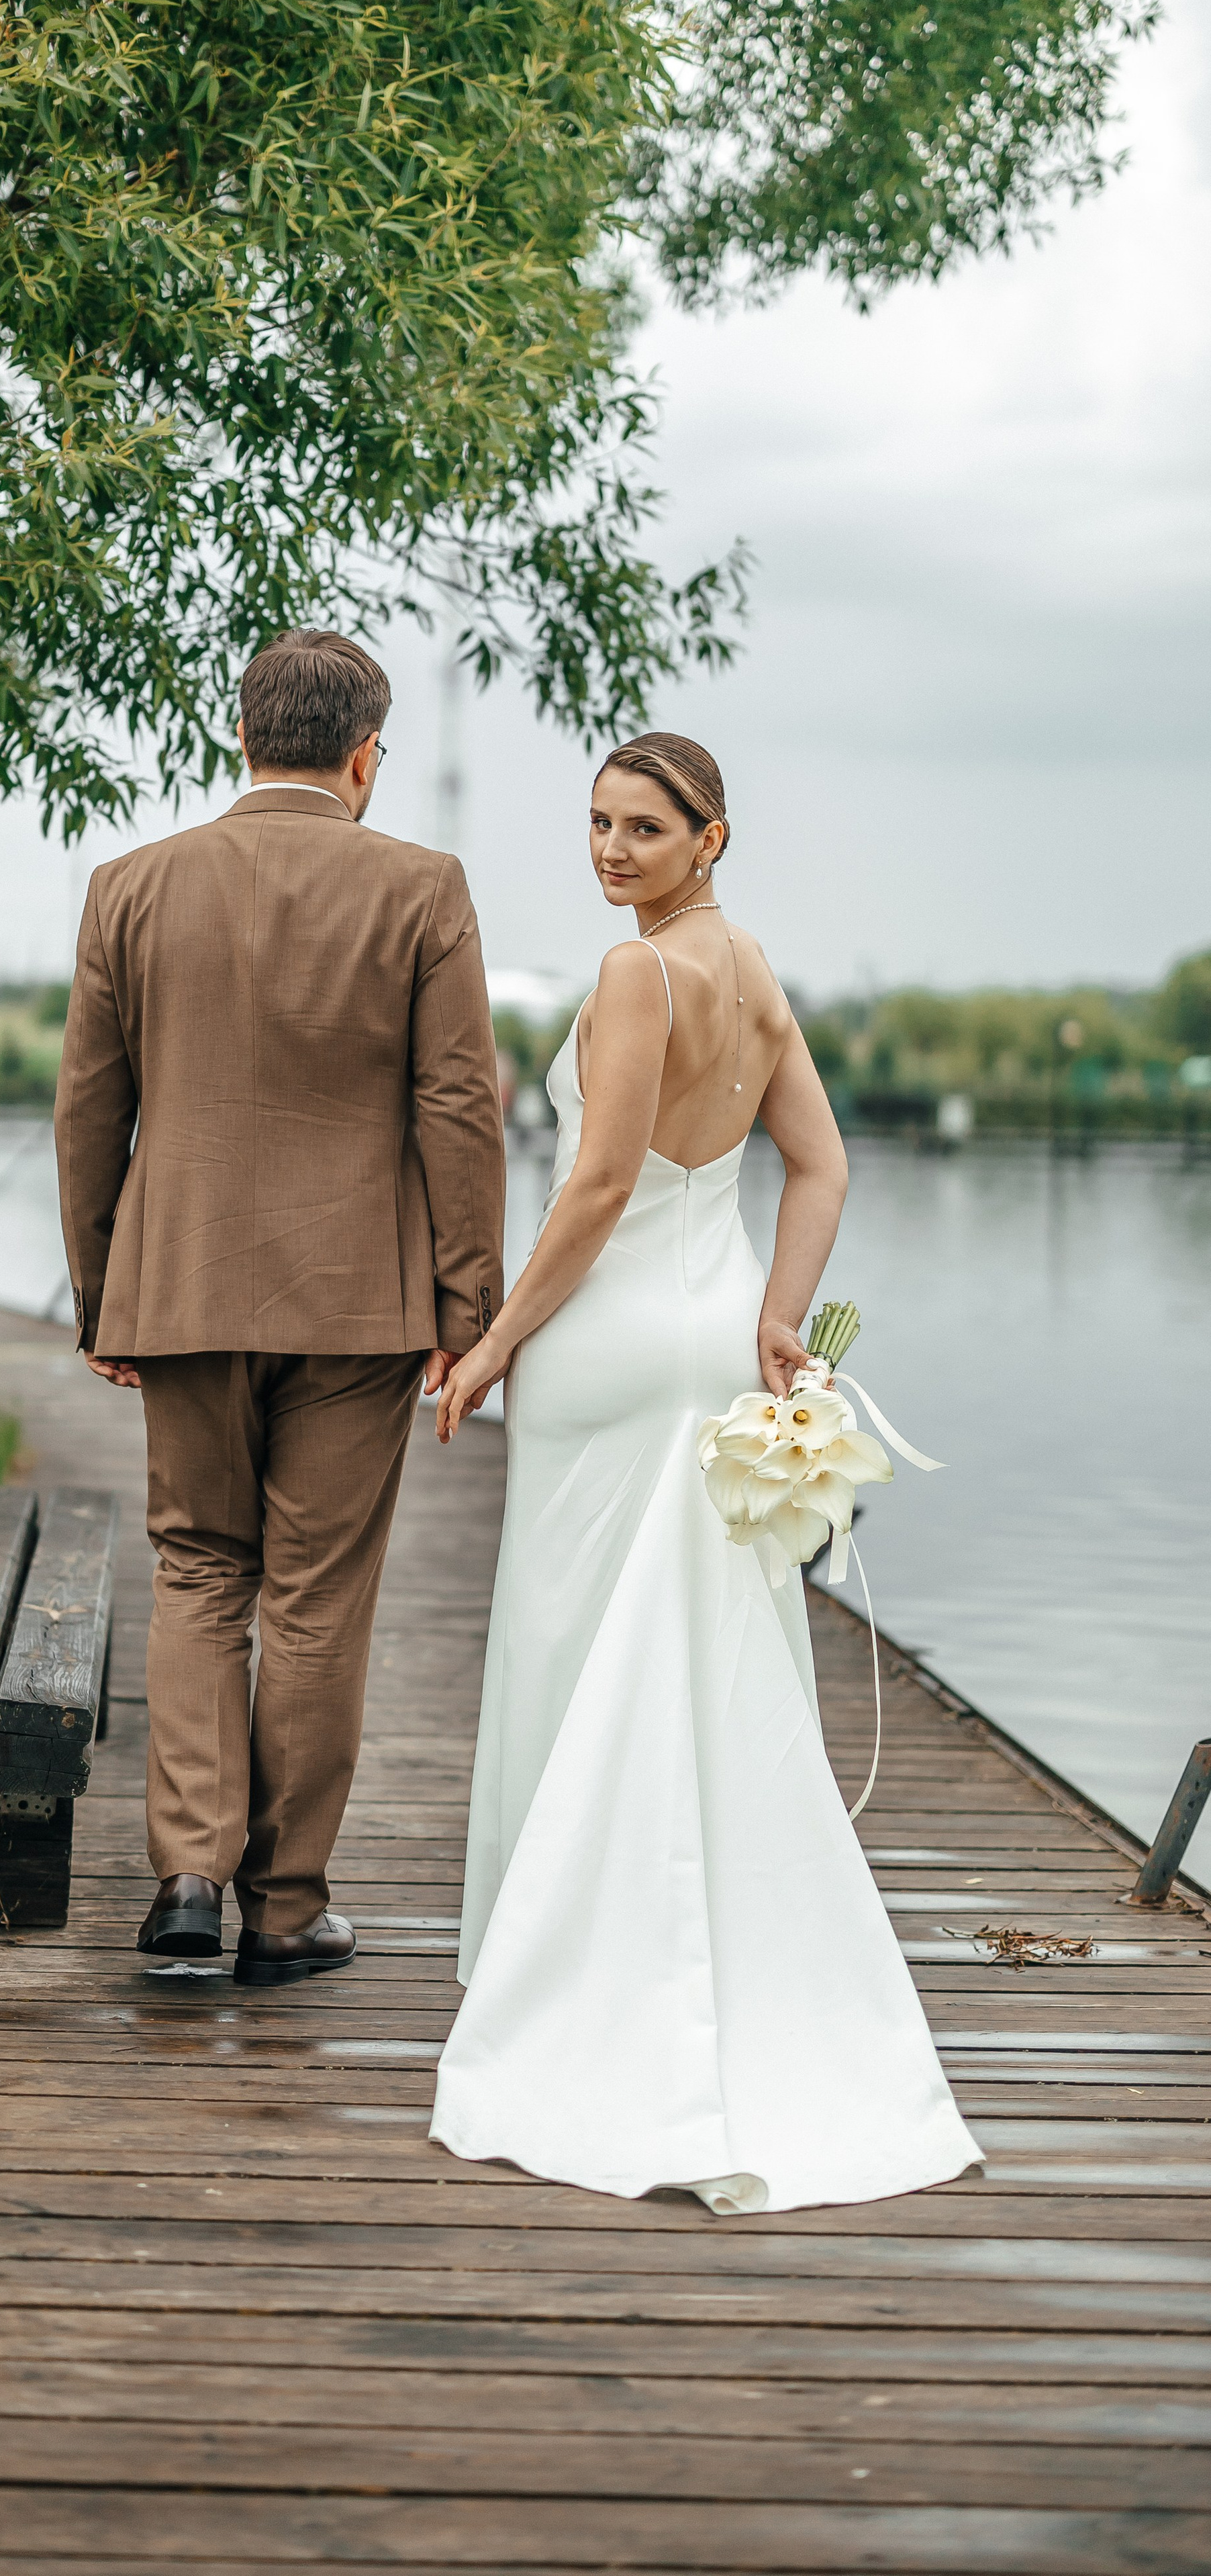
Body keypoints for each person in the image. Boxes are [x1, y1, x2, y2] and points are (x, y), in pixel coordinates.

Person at [429, 735, 981, 2212]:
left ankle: (554, 1959)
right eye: (597, 825)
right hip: (713, 1337)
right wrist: (774, 1321)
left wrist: (486, 1346)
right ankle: (720, 1951)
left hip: (609, 1349)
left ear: (708, 836)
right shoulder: (750, 973)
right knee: (702, 1648)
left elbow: (599, 1182)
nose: (609, 851)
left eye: (643, 829)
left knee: (567, 1638)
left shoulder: (634, 978)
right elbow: (821, 1168)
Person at [56, 631, 507, 1985]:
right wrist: (466, 1300)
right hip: (359, 1306)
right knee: (314, 1601)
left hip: (180, 1288)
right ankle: (285, 1907)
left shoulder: (128, 888)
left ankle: (188, 1884)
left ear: (241, 734)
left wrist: (101, 1299)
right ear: (364, 754)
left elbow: (91, 1110)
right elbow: (459, 1106)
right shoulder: (423, 889)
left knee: (199, 1571)